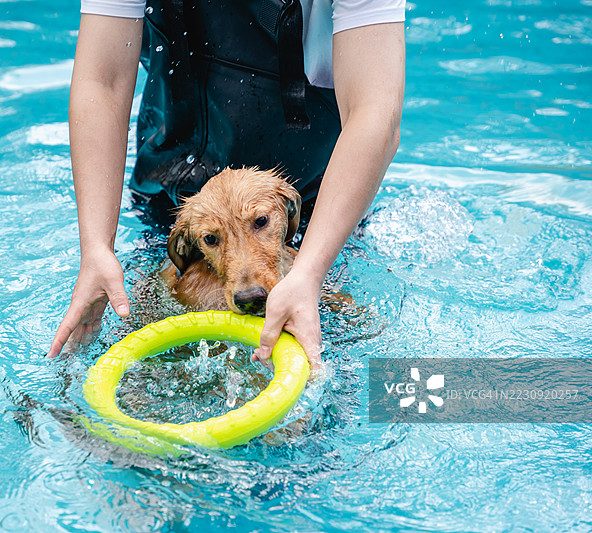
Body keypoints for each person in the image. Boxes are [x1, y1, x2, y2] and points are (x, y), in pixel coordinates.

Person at [47, 0, 405, 373]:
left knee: (344, 351)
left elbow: (376, 112)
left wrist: (310, 272)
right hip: (171, 186)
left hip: (321, 198)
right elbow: (100, 83)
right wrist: (95, 247)